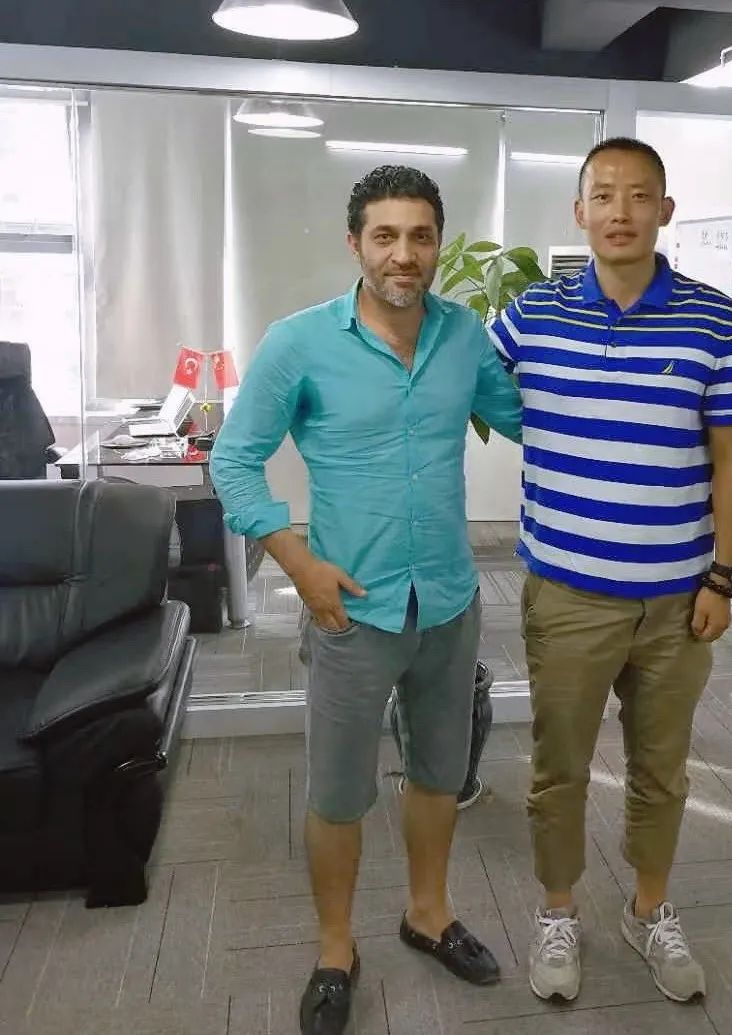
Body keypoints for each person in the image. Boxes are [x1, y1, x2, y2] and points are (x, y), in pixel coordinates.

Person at [211, 165, 522, 1035]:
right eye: (385, 236)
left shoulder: (464, 337)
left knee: (439, 773)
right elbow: (233, 459)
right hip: (349, 607)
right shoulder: (300, 342)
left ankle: (428, 912)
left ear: (438, 245)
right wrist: (297, 560)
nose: (404, 254)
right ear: (356, 243)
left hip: (449, 599)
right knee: (340, 791)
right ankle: (335, 947)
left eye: (421, 236)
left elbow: (526, 414)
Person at [490, 138, 732, 1005]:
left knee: (661, 768)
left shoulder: (713, 319)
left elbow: (730, 457)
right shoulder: (532, 314)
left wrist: (722, 578)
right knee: (559, 766)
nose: (620, 211)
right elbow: (456, 382)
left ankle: (648, 910)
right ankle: (558, 912)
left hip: (679, 601)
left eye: (639, 195)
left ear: (664, 211)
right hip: (569, 593)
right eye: (602, 195)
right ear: (579, 212)